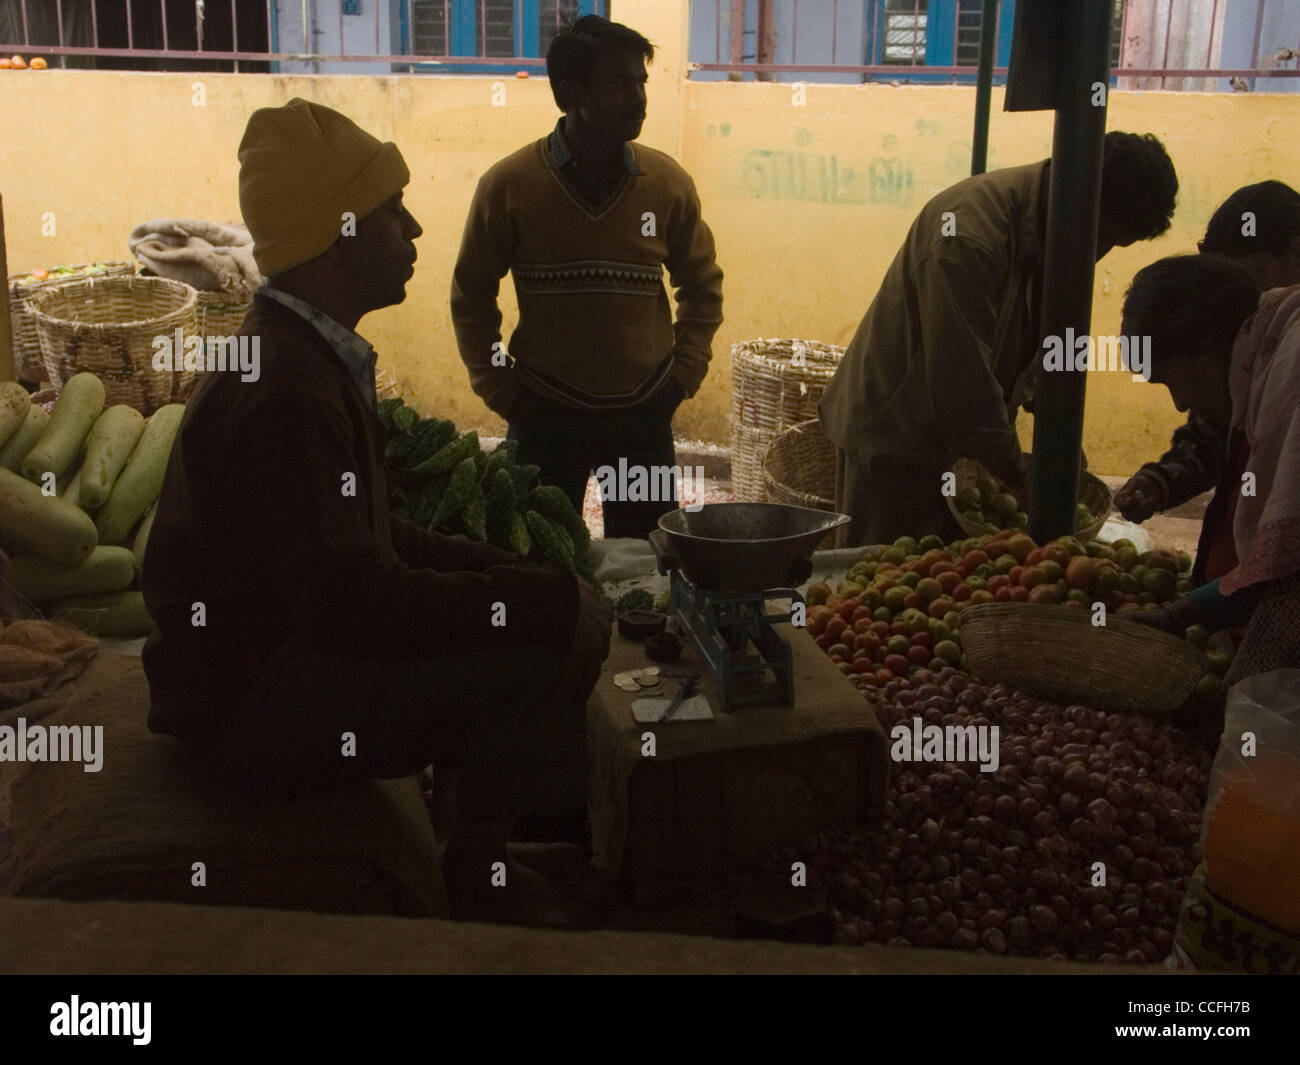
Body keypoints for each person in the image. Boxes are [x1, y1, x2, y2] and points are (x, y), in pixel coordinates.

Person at [140, 98, 612, 927]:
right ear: (343, 235)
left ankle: (475, 839)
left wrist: (512, 574)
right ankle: (473, 877)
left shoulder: (304, 352)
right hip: (249, 706)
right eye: (395, 214)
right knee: (531, 658)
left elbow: (373, 535)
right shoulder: (287, 388)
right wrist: (536, 604)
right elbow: (350, 604)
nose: (417, 229)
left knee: (532, 610)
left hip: (259, 666)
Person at [819, 132, 1179, 547]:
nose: (1098, 253)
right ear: (1080, 200)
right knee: (881, 583)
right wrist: (1019, 476)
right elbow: (962, 380)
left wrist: (1062, 447)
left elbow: (1051, 349)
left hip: (961, 449)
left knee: (947, 582)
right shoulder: (968, 235)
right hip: (895, 436)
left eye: (1114, 245)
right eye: (1102, 237)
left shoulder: (1063, 231)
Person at [451, 14, 723, 540]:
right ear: (570, 91)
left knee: (648, 563)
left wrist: (682, 374)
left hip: (644, 413)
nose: (640, 97)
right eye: (622, 83)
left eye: (641, 81)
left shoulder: (666, 183)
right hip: (542, 414)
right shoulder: (509, 186)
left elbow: (702, 284)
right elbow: (472, 294)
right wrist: (500, 388)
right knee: (535, 559)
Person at [1123, 254, 1300, 685]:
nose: (1180, 405)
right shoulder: (1265, 359)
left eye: (1169, 381)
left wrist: (1181, 614)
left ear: (1204, 347)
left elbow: (1285, 570)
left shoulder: (1286, 382)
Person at [1114, 181, 1300, 584]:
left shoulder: (1286, 365)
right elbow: (1214, 434)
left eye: (1251, 274)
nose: (1244, 300)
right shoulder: (1249, 363)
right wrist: (1162, 480)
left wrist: (1198, 610)